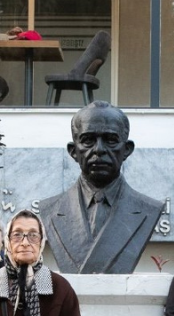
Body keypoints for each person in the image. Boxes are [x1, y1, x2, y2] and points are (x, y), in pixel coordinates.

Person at [37, 101, 166, 274]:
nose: (99, 150)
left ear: (127, 149)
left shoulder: (148, 209)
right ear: (73, 151)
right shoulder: (50, 209)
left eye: (111, 140)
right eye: (88, 140)